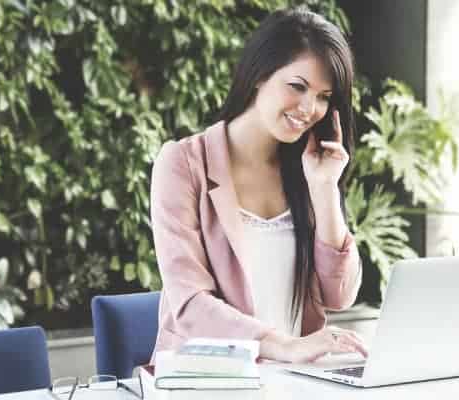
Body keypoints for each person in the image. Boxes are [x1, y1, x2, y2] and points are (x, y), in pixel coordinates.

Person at [149, 8, 368, 363]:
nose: (310, 108)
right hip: (208, 380)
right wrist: (286, 346)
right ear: (258, 76)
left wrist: (325, 190)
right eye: (297, 86)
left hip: (293, 382)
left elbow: (339, 296)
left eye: (324, 96)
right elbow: (189, 305)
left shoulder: (307, 169)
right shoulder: (183, 164)